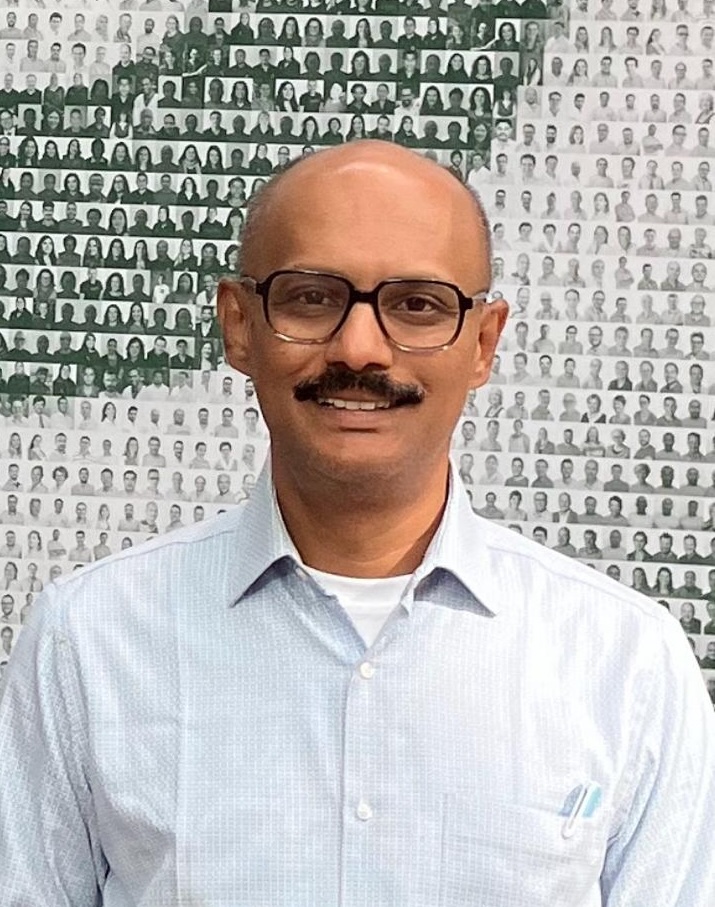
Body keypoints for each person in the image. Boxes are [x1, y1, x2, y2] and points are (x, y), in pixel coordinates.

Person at [0, 141, 713, 904]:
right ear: (238, 325)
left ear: (483, 342)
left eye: (417, 305)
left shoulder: (624, 662)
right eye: (310, 297)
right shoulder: (90, 639)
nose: (360, 348)